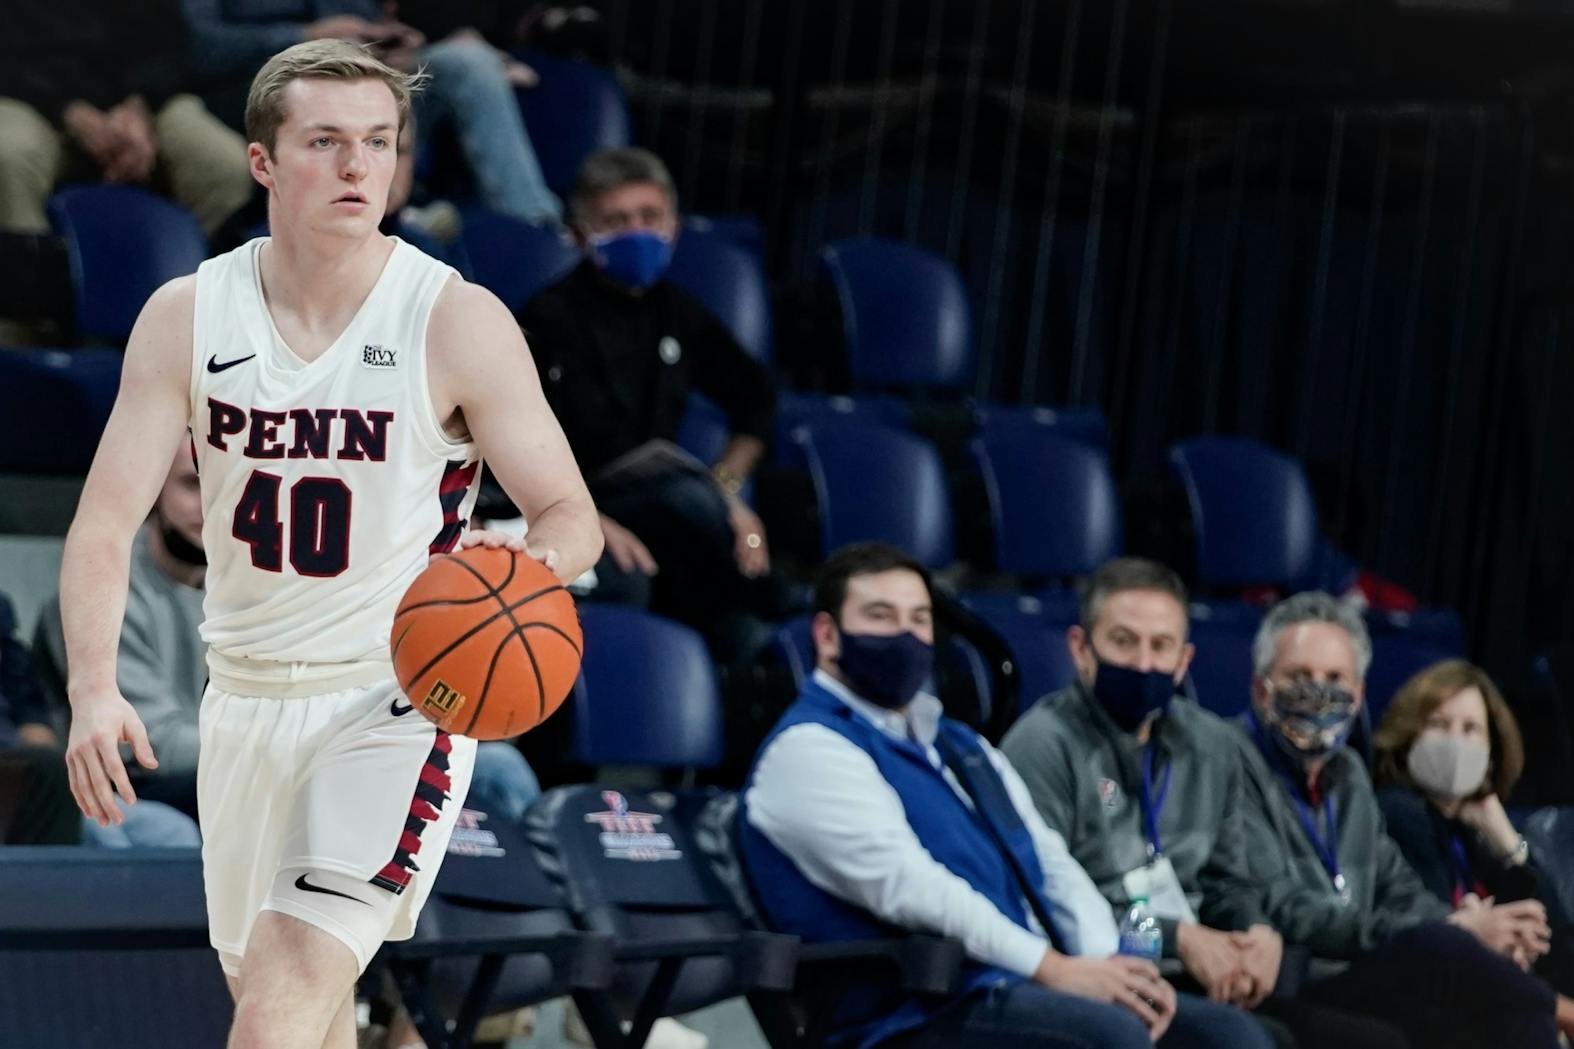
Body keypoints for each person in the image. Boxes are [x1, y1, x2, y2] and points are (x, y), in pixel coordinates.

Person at [57, 39, 600, 1049]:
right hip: (244, 698)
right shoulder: (185, 315)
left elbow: (569, 514)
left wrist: (513, 572)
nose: (359, 167)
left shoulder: (456, 319)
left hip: (394, 696)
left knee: (280, 1000)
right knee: (299, 1010)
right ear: (262, 160)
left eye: (380, 144)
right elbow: (102, 519)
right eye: (327, 142)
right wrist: (94, 685)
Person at [740, 542, 1276, 1049]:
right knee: (1110, 1038)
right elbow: (913, 888)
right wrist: (1054, 968)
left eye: (919, 619)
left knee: (1234, 1039)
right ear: (828, 636)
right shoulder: (807, 749)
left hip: (1009, 981)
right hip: (909, 1009)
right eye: (881, 616)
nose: (905, 635)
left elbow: (1049, 859)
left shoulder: (957, 743)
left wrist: (1115, 966)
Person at [1001, 558, 1405, 1049]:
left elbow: (1229, 882)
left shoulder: (1211, 744)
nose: (1145, 664)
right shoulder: (1043, 745)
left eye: (1161, 646)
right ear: (1081, 649)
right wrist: (1177, 938)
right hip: (1098, 971)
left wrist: (1254, 930)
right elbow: (1049, 908)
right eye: (1123, 642)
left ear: (1184, 661)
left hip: (1200, 971)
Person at [1232, 591, 1560, 1048]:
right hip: (1295, 971)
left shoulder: (1347, 774)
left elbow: (1398, 887)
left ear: (1359, 693)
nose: (1317, 691)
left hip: (1360, 970)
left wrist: (1452, 923)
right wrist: (1449, 931)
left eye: (1334, 678)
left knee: (1509, 1003)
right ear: (1260, 687)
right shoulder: (1230, 762)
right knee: (1468, 972)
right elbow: (1283, 906)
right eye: (1299, 676)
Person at [520, 147, 783, 659]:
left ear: (675, 227)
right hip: (575, 503)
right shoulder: (546, 318)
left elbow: (757, 398)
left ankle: (750, 646)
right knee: (688, 512)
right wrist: (581, 518)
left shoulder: (679, 311)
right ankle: (771, 602)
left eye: (649, 217)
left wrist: (728, 488)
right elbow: (504, 447)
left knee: (703, 515)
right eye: (616, 221)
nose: (636, 232)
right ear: (578, 234)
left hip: (670, 510)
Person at [181, 0, 562, 226]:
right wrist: (301, 35)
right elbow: (192, 47)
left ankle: (536, 225)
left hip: (361, 69)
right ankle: (391, 216)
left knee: (469, 61)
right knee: (355, 96)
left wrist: (392, 40)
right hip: (260, 83)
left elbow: (366, 25)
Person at [1371, 658, 1574, 1035]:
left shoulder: (1470, 828)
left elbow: (1560, 948)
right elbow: (1436, 935)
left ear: (1492, 751)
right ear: (1408, 736)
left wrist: (1506, 839)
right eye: (1439, 726)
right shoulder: (1398, 811)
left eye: (1471, 730)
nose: (1455, 744)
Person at [0, 0, 252, 237]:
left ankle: (205, 276)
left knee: (222, 165)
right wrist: (68, 109)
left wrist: (139, 106)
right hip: (34, 100)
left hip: (143, 104)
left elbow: (170, 44)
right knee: (9, 156)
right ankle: (29, 276)